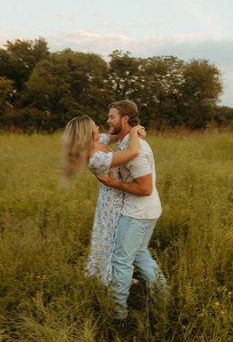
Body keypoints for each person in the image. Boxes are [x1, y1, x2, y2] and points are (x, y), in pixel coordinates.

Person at [98, 100, 167, 320]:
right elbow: (107, 138)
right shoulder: (127, 141)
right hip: (146, 211)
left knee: (121, 261)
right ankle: (164, 303)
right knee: (140, 256)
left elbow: (145, 188)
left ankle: (118, 315)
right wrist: (136, 133)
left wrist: (114, 184)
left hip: (136, 213)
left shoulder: (136, 150)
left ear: (125, 119)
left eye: (112, 117)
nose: (108, 121)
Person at [62, 115, 145, 286]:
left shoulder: (98, 141)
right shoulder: (96, 158)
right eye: (95, 127)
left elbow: (116, 136)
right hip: (112, 202)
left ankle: (110, 274)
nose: (99, 129)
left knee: (108, 238)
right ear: (87, 134)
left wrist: (130, 129)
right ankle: (112, 278)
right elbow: (132, 152)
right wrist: (136, 132)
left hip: (113, 196)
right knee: (113, 240)